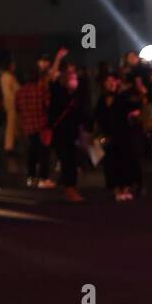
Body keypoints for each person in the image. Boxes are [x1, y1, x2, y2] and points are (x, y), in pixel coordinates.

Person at [93, 72, 142, 201]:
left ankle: (125, 187)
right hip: (108, 137)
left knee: (124, 161)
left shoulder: (122, 97)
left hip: (122, 135)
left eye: (113, 81)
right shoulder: (101, 100)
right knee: (110, 163)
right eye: (108, 81)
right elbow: (97, 116)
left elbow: (136, 105)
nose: (111, 83)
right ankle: (116, 189)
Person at [49, 63, 88, 202]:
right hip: (61, 134)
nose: (75, 80)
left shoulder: (76, 96)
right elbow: (52, 78)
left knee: (71, 161)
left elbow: (81, 115)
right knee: (68, 161)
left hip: (72, 134)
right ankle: (70, 190)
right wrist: (58, 58)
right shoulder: (59, 93)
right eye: (73, 78)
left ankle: (70, 188)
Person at [15, 63, 54, 187]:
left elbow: (17, 108)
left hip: (28, 126)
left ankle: (30, 178)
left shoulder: (20, 92)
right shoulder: (41, 90)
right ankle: (43, 179)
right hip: (42, 125)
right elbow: (48, 106)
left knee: (31, 153)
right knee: (43, 153)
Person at [0, 54, 21, 158]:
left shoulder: (7, 76)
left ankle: (11, 145)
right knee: (11, 126)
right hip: (12, 104)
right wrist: (15, 100)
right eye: (13, 64)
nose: (14, 66)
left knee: (13, 126)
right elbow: (9, 92)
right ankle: (9, 146)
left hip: (11, 104)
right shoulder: (7, 77)